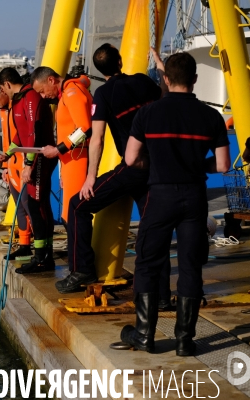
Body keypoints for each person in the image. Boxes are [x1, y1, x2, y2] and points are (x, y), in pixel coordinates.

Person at [115, 52, 230, 356]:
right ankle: (184, 340)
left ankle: (144, 334)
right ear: (194, 79)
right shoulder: (212, 117)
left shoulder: (148, 114)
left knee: (148, 262)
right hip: (194, 197)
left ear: (165, 79)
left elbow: (130, 159)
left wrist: (156, 163)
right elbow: (222, 166)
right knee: (191, 265)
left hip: (160, 195)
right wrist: (193, 166)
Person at [55, 44, 172, 302]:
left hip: (133, 169)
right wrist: (160, 65)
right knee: (154, 227)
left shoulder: (102, 94)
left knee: (77, 206)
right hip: (158, 169)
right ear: (120, 61)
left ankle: (82, 269)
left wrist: (90, 178)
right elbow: (165, 93)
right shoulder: (143, 81)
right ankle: (162, 295)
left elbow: (96, 139)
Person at [0, 67, 57, 273]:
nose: (3, 94)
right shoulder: (19, 100)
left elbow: (34, 134)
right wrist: (9, 153)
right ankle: (44, 255)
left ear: (6, 84)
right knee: (38, 205)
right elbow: (20, 136)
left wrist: (29, 164)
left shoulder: (30, 97)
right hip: (32, 157)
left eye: (2, 90)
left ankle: (41, 258)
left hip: (38, 159)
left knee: (36, 206)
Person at [30, 66, 92, 226]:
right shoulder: (66, 94)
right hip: (71, 161)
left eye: (42, 91)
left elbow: (84, 128)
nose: (43, 97)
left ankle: (79, 250)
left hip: (79, 159)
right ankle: (75, 250)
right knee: (69, 215)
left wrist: (58, 150)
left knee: (74, 215)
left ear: (51, 80)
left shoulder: (72, 92)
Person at [0, 77, 33, 260]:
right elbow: (7, 140)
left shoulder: (18, 106)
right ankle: (24, 243)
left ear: (3, 91)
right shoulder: (4, 111)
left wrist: (28, 163)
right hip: (11, 163)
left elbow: (26, 136)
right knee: (20, 206)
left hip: (23, 163)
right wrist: (5, 166)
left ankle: (39, 247)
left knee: (30, 206)